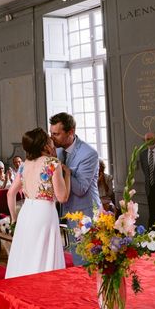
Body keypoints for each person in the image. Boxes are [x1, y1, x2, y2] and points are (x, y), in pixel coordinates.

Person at [6, 127, 70, 278]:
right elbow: (62, 198)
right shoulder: (52, 163)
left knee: (26, 255)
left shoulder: (23, 165)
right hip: (44, 213)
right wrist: (67, 175)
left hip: (26, 212)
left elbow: (10, 193)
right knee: (44, 256)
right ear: (44, 143)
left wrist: (14, 218)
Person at [50, 112, 100, 265]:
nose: (52, 138)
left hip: (86, 214)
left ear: (70, 132)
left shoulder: (89, 154)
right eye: (51, 133)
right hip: (69, 213)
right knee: (77, 260)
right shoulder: (57, 151)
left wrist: (62, 170)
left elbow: (80, 189)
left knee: (88, 262)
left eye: (56, 134)